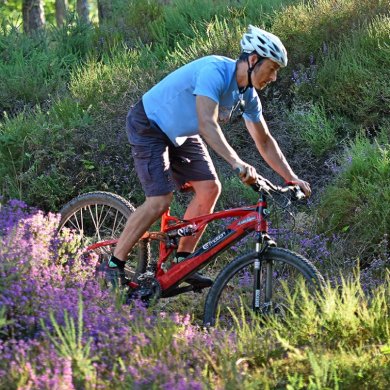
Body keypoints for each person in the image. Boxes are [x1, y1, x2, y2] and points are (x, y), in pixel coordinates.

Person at [107, 25, 311, 288]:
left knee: (210, 188)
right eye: (271, 68)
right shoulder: (214, 71)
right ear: (252, 60)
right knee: (159, 200)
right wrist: (236, 162)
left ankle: (183, 263)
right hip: (149, 124)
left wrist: (291, 178)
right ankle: (114, 265)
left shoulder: (247, 95)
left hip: (181, 133)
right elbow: (207, 123)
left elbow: (264, 140)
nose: (273, 77)